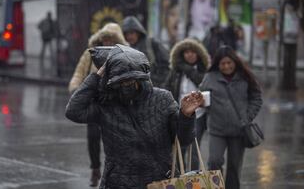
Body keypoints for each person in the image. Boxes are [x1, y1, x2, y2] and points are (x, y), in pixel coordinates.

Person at [65, 44, 203, 189]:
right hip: (118, 182)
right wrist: (96, 76)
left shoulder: (162, 99)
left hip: (159, 181)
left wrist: (186, 116)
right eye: (121, 81)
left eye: (131, 80)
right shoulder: (106, 104)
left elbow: (184, 140)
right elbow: (73, 111)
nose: (126, 85)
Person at [68, 22, 128, 187]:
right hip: (95, 101)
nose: (107, 43)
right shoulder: (90, 54)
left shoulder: (123, 55)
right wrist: (76, 90)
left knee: (116, 139)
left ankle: (115, 171)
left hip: (115, 104)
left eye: (111, 39)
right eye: (105, 39)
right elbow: (79, 72)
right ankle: (95, 169)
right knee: (93, 137)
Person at [199, 46, 262, 189]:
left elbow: (256, 98)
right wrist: (201, 102)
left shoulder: (245, 77)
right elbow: (201, 97)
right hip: (217, 130)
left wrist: (247, 116)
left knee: (234, 167)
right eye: (223, 63)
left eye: (229, 63)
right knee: (214, 162)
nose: (226, 66)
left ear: (235, 62)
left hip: (238, 130)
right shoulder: (210, 78)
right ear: (218, 64)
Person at [165, 38, 210, 171]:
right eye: (186, 52)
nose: (190, 55)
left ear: (198, 54)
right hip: (178, 114)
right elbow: (167, 89)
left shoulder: (203, 71)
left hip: (199, 115)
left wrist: (189, 70)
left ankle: (194, 179)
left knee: (194, 149)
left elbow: (203, 84)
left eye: (193, 52)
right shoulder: (176, 71)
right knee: (179, 149)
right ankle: (181, 178)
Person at [121, 16, 170, 88]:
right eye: (126, 34)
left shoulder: (152, 43)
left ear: (138, 32)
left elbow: (166, 64)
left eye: (131, 33)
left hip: (154, 88)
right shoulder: (124, 48)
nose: (129, 36)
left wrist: (156, 81)